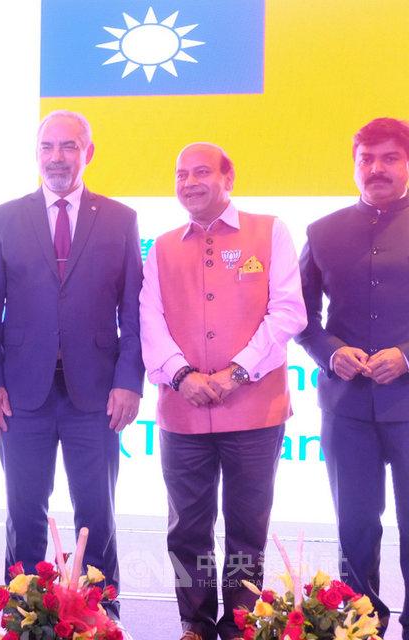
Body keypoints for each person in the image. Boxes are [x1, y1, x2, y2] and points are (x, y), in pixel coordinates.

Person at [0, 110, 143, 621]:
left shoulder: (120, 219)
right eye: (48, 147)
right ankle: (23, 611)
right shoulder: (4, 217)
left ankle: (101, 612)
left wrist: (128, 381)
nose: (57, 157)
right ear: (36, 154)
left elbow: (133, 311)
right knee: (24, 510)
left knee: (96, 510)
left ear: (87, 153)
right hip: (21, 393)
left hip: (95, 393)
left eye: (69, 146)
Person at [140, 143, 306, 640]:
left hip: (255, 409)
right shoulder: (163, 246)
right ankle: (194, 620)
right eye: (180, 174)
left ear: (228, 177)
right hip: (182, 410)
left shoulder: (270, 230)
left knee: (246, 527)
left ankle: (240, 622)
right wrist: (182, 375)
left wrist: (236, 373)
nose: (189, 182)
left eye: (201, 172)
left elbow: (289, 311)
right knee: (187, 529)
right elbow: (149, 318)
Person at [296, 117, 409, 638]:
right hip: (346, 410)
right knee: (355, 529)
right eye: (367, 158)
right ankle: (361, 626)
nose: (377, 169)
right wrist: (329, 352)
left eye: (389, 158)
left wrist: (407, 355)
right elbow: (298, 316)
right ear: (354, 164)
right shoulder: (322, 231)